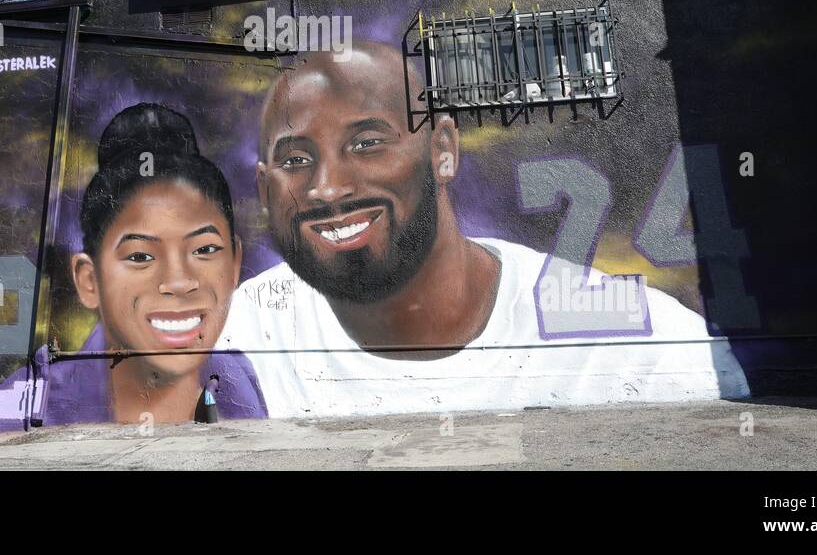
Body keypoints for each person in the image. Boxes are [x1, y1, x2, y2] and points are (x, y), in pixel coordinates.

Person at [216, 41, 749, 417]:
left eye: (367, 143)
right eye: (296, 159)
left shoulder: (638, 348)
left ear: (442, 150)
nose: (327, 188)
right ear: (264, 192)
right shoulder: (238, 331)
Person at [0, 104, 267, 429]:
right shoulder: (23, 407)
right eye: (141, 256)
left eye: (204, 249)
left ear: (234, 266)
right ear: (89, 281)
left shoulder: (237, 379)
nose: (178, 281)